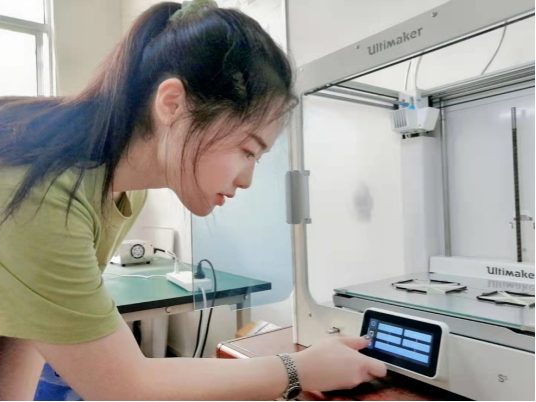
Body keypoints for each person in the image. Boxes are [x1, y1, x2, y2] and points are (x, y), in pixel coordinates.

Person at [0, 1, 387, 400]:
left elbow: (27, 319)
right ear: (172, 104)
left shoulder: (122, 190)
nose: (247, 179)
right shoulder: (44, 194)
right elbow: (126, 388)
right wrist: (299, 369)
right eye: (247, 150)